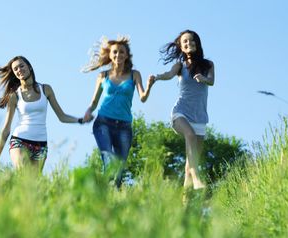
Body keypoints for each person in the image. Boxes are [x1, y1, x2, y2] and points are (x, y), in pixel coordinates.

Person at [0, 55, 85, 172]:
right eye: (16, 69)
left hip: (41, 145)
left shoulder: (46, 89)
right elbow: (6, 129)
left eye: (21, 66)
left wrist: (80, 120)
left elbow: (62, 117)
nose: (19, 70)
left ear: (29, 67)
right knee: (22, 175)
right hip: (20, 140)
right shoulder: (14, 96)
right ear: (14, 74)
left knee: (33, 186)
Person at [82, 36, 154, 186]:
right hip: (103, 123)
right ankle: (105, 192)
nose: (118, 55)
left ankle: (114, 197)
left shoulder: (135, 74)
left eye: (122, 52)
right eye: (115, 52)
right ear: (109, 55)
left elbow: (143, 97)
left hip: (124, 126)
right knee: (109, 160)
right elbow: (94, 101)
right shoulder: (103, 76)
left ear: (126, 55)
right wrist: (88, 111)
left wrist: (149, 86)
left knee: (119, 169)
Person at [150, 30, 214, 190]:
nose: (188, 43)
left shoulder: (208, 65)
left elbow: (212, 81)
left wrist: (204, 79)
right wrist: (157, 77)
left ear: (197, 44)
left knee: (189, 167)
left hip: (199, 117)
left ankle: (185, 208)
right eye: (185, 41)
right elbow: (169, 74)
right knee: (190, 135)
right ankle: (198, 179)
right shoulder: (180, 66)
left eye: (191, 41)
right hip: (180, 112)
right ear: (181, 46)